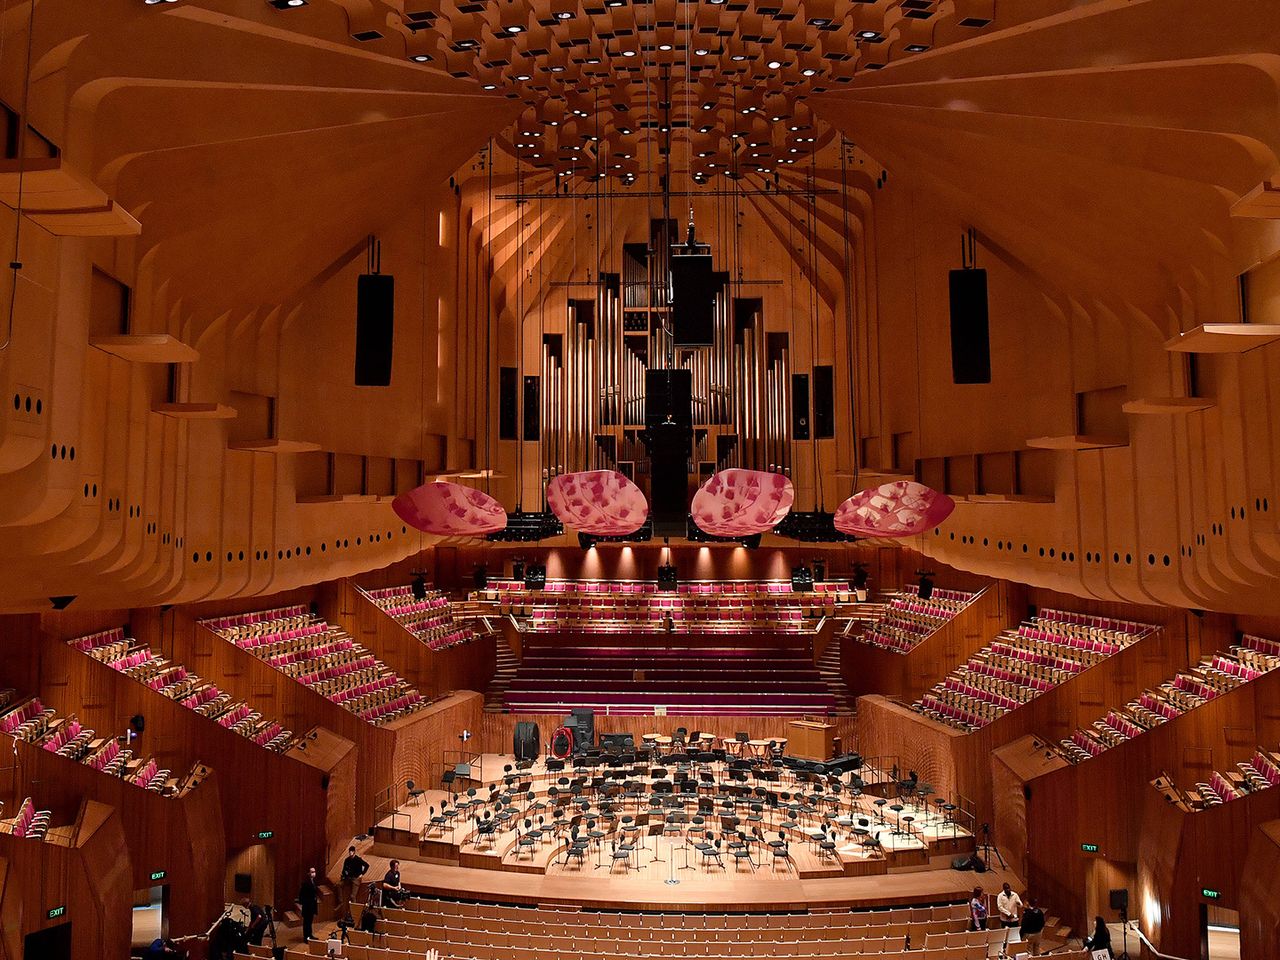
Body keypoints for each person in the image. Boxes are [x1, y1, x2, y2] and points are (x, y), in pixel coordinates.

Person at [340, 844, 370, 917]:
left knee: (353, 896)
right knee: (338, 885)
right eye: (349, 852)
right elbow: (343, 870)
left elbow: (366, 865)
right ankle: (340, 901)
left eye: (351, 852)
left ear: (354, 852)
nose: (350, 853)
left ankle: (354, 913)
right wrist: (344, 874)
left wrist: (362, 874)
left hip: (355, 878)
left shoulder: (358, 860)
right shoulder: (347, 860)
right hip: (348, 877)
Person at [297, 865, 321, 943]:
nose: (314, 873)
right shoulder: (306, 883)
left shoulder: (313, 881)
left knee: (310, 921)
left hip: (311, 905)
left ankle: (310, 935)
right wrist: (305, 902)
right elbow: (302, 894)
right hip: (307, 905)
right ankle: (306, 937)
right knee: (306, 922)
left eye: (314, 871)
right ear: (308, 873)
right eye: (312, 872)